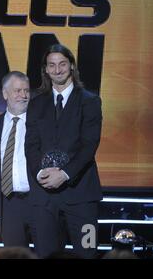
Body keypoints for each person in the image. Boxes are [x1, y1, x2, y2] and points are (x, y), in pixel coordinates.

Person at [25, 44, 103, 258]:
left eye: (62, 64)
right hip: (44, 197)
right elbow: (30, 145)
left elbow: (90, 144)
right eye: (52, 65)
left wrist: (65, 174)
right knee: (45, 254)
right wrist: (39, 173)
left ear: (71, 66)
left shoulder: (90, 101)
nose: (57, 70)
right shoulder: (36, 104)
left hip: (82, 196)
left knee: (88, 253)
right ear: (46, 70)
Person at [0, 71, 35, 248]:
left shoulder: (41, 123)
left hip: (40, 202)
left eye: (26, 91)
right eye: (18, 91)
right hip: (9, 204)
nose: (23, 95)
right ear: (5, 94)